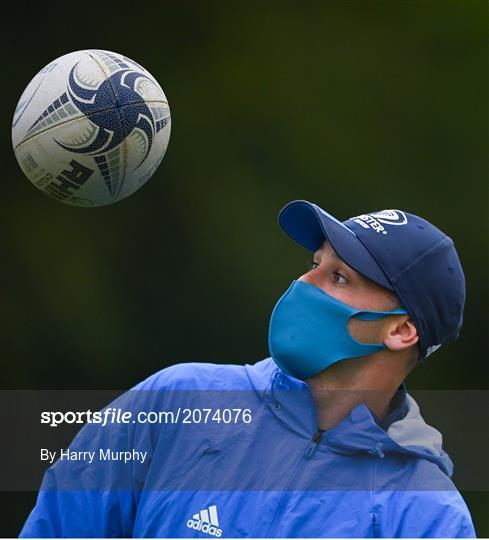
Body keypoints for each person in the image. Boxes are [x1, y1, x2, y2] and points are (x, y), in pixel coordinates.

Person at [21, 200, 475, 538]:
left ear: (401, 330)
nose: (303, 284)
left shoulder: (428, 516)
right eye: (314, 264)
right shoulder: (178, 399)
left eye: (339, 277)